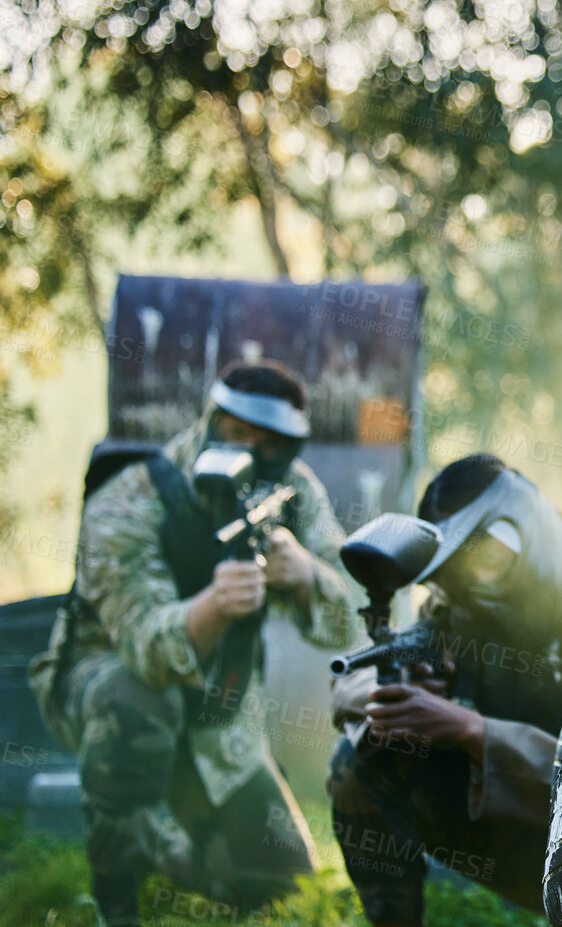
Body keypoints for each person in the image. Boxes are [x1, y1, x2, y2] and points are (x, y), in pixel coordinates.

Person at [31, 361, 356, 926]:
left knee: (280, 881)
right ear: (211, 422)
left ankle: (168, 849)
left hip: (218, 709)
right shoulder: (132, 497)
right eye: (236, 435)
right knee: (134, 704)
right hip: (107, 684)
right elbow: (144, 651)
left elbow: (353, 615)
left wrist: (306, 575)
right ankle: (118, 895)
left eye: (269, 444)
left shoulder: (294, 491)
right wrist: (212, 608)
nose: (250, 453)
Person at [327, 454, 562, 926]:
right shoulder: (457, 607)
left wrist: (474, 731)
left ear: (526, 523)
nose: (471, 583)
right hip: (529, 840)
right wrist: (405, 688)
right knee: (357, 762)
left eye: (487, 558)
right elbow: (349, 684)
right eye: (452, 573)